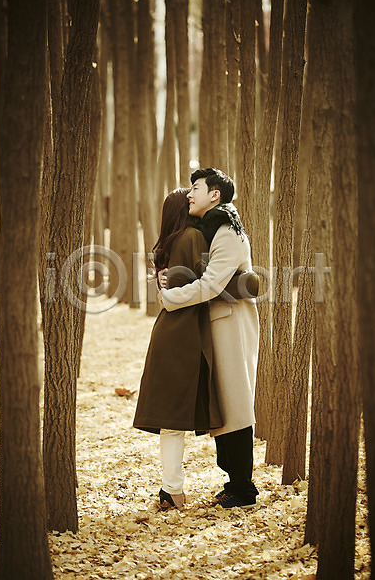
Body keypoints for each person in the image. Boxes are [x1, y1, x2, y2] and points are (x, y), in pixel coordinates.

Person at [133, 187, 257, 510]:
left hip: (171, 332)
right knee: (181, 417)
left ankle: (171, 489)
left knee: (171, 420)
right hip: (185, 336)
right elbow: (210, 283)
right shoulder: (193, 238)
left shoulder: (169, 242)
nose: (193, 204)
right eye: (188, 202)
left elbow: (193, 282)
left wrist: (165, 286)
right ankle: (174, 490)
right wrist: (249, 283)